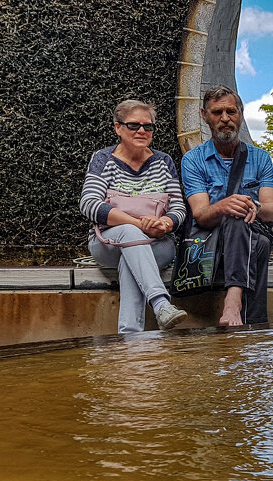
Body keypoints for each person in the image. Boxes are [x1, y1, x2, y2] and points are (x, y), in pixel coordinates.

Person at [80, 99, 189, 333]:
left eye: (147, 126)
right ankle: (160, 302)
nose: (142, 131)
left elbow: (179, 207)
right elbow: (89, 204)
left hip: (157, 243)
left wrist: (166, 223)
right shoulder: (103, 159)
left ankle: (130, 341)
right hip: (108, 243)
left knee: (131, 258)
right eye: (134, 125)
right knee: (131, 234)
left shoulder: (163, 161)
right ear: (118, 128)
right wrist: (140, 224)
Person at [181, 86, 273, 326]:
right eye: (217, 112)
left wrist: (252, 205)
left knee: (247, 225)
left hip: (249, 233)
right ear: (205, 116)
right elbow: (201, 215)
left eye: (230, 111)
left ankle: (235, 307)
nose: (225, 118)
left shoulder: (260, 158)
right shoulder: (193, 160)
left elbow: (271, 210)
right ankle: (248, 319)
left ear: (241, 114)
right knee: (254, 237)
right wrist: (225, 206)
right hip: (212, 241)